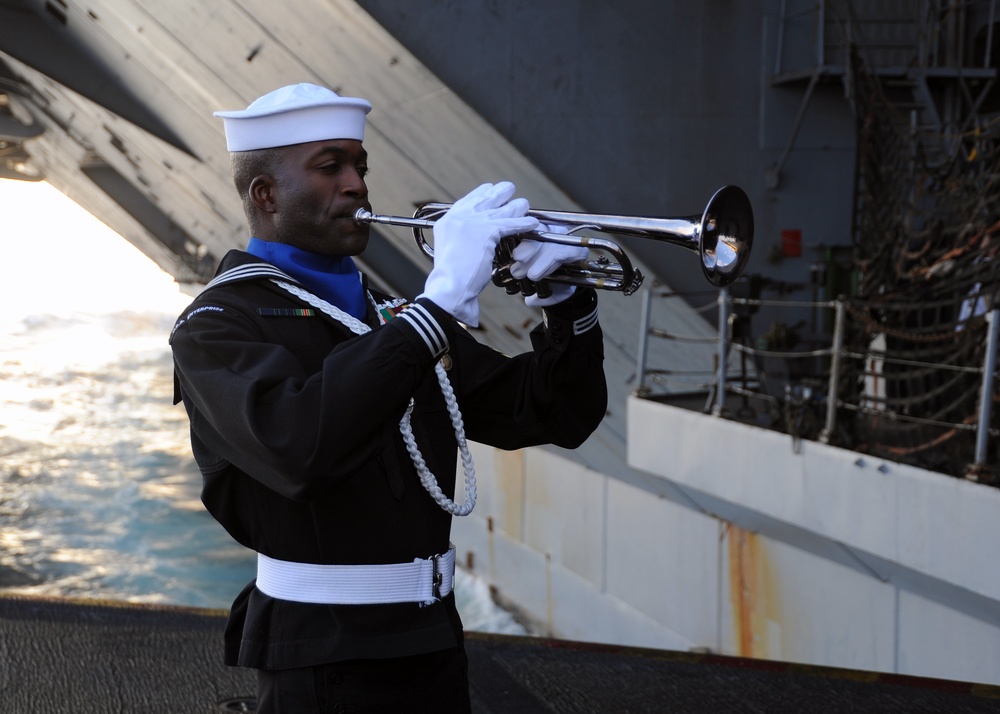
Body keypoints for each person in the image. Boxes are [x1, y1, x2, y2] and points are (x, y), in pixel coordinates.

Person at [169, 83, 607, 713]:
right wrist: (438, 304)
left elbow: (550, 412)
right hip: (321, 653)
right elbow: (300, 447)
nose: (356, 185)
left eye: (359, 165)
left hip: (430, 640)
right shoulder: (216, 324)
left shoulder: (391, 319)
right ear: (265, 194)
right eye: (330, 167)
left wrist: (566, 301)